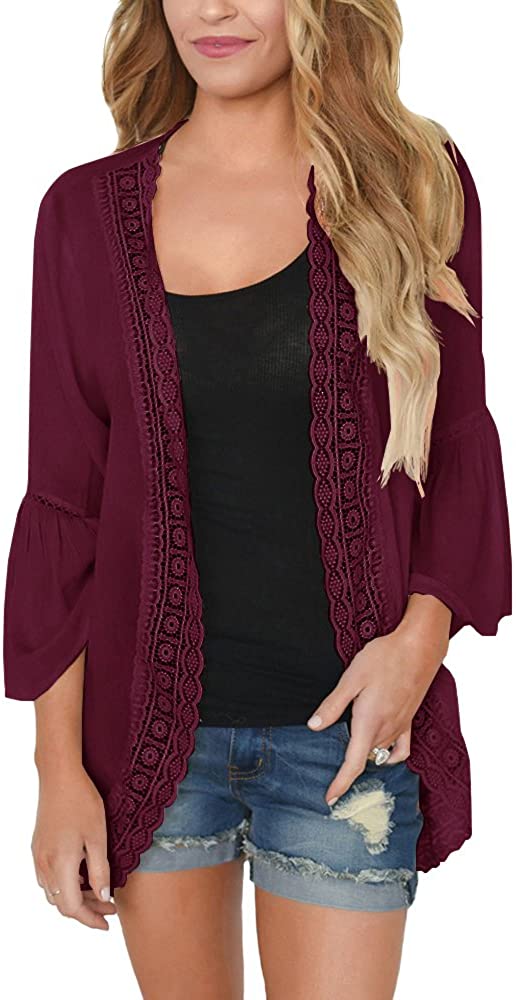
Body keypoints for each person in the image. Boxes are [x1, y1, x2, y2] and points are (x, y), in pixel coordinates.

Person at [3, 1, 512, 997]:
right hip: (150, 748)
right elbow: (66, 503)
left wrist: (417, 647)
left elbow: (457, 447)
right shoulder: (81, 214)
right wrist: (56, 772)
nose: (214, 9)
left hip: (348, 742)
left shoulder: (413, 183)